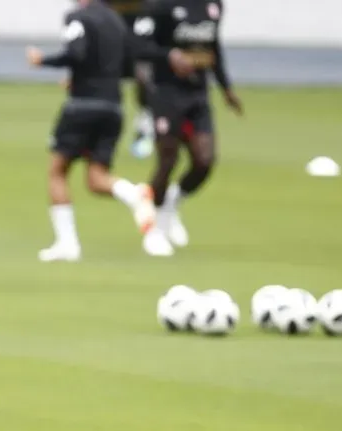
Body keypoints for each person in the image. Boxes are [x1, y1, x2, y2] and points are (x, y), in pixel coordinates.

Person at [27, 0, 162, 262]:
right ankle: (135, 194)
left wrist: (43, 60)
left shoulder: (78, 17)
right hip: (113, 107)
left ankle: (68, 244)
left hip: (82, 106)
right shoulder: (116, 20)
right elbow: (128, 61)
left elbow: (76, 52)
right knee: (97, 179)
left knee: (57, 170)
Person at [134, 0, 243, 252]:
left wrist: (226, 88)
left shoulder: (212, 6)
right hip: (165, 92)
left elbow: (213, 47)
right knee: (167, 160)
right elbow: (137, 46)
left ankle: (172, 203)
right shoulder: (160, 6)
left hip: (198, 94)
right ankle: (155, 230)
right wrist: (170, 56)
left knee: (204, 161)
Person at [108, 0, 157, 159]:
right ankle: (98, 134)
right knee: (103, 84)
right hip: (112, 39)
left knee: (145, 83)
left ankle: (144, 132)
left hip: (142, 39)